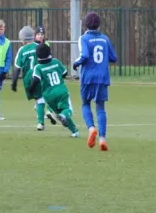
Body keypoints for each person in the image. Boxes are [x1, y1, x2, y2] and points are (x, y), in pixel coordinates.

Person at [72, 12, 117, 151]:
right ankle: (102, 139)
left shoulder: (84, 38)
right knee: (101, 108)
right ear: (99, 25)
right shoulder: (105, 39)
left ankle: (91, 128)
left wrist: (76, 63)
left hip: (88, 77)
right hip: (102, 77)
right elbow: (113, 57)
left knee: (85, 104)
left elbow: (84, 55)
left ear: (86, 24)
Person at [10, 26, 57, 131]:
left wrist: (14, 82)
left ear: (22, 39)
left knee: (39, 99)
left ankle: (40, 123)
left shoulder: (21, 50)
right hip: (40, 75)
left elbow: (17, 68)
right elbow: (47, 61)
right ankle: (49, 110)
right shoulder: (39, 47)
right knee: (50, 93)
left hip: (28, 78)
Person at [28, 44, 79, 137]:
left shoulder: (38, 67)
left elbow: (36, 80)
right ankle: (60, 115)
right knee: (67, 110)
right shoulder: (56, 61)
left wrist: (30, 89)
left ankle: (74, 131)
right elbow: (64, 73)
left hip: (48, 95)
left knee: (60, 112)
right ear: (49, 52)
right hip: (61, 91)